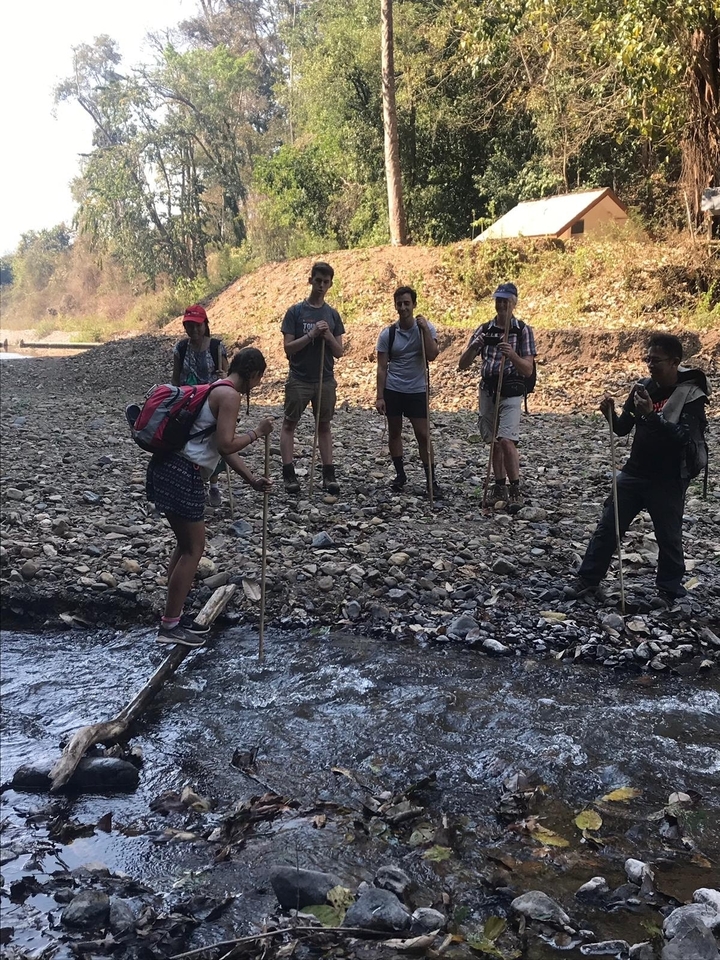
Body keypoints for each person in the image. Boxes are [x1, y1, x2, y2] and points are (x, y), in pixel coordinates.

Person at [147, 348, 273, 647]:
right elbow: (227, 445)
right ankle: (170, 626)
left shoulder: (216, 388)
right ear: (254, 374)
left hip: (166, 467)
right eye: (259, 379)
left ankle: (173, 616)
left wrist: (251, 479)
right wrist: (257, 432)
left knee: (185, 545)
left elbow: (219, 447)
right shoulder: (229, 396)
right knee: (194, 549)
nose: (257, 384)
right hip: (183, 473)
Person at [572, 334, 709, 605]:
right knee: (609, 526)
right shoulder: (643, 388)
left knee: (668, 536)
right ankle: (588, 580)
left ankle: (668, 591)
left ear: (674, 362)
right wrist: (610, 415)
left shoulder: (691, 395)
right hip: (635, 470)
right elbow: (623, 428)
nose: (650, 365)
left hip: (669, 476)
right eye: (648, 359)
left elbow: (683, 437)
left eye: (656, 361)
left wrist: (650, 416)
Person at [458, 282, 537, 513]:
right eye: (499, 301)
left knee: (506, 440)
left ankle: (515, 488)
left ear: (514, 303)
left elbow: (528, 369)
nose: (501, 305)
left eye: (506, 301)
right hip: (488, 390)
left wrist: (511, 354)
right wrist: (475, 347)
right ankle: (500, 486)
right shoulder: (484, 329)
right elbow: (462, 364)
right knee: (493, 441)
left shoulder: (522, 331)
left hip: (511, 391)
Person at [280, 261, 345, 495]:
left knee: (324, 425)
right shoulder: (295, 312)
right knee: (290, 423)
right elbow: (288, 348)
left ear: (330, 284)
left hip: (325, 378)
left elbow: (339, 351)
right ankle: (289, 473)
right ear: (310, 280)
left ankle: (328, 474)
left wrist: (328, 337)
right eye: (318, 280)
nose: (321, 286)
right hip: (299, 377)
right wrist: (312, 334)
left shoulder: (333, 314)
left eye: (326, 282)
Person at [376, 286, 441, 497]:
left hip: (417, 389)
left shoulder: (426, 329)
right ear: (395, 306)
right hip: (393, 388)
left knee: (423, 434)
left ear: (414, 304)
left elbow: (432, 355)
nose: (403, 307)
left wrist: (424, 330)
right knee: (395, 432)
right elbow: (382, 367)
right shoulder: (388, 334)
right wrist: (379, 396)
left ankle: (431, 480)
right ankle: (400, 474)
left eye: (407, 303)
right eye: (399, 304)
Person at [172, 304, 229, 506]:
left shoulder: (216, 347)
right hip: (188, 404)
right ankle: (196, 483)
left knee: (214, 443)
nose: (194, 330)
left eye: (198, 325)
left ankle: (214, 485)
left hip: (212, 403)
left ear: (205, 325)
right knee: (189, 443)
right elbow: (176, 378)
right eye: (190, 326)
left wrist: (224, 376)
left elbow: (229, 377)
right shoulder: (180, 349)